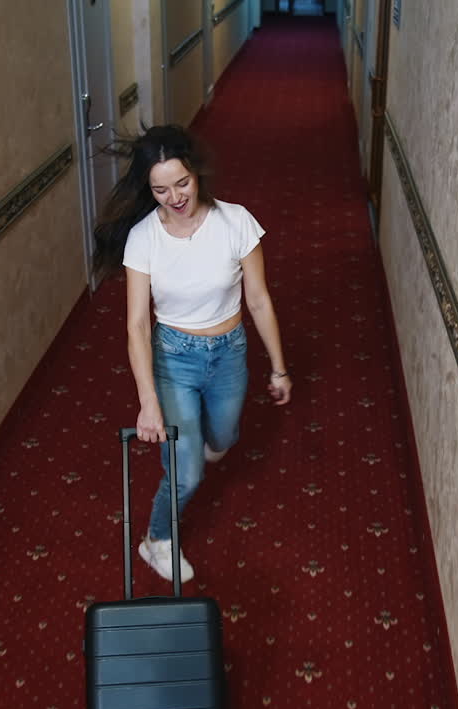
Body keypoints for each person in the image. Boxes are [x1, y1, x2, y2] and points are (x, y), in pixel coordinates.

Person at [93, 125, 293, 582]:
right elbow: (137, 325)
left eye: (181, 183)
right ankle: (157, 540)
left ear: (197, 172)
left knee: (222, 440)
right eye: (160, 189)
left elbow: (259, 300)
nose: (174, 197)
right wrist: (148, 404)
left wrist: (279, 369)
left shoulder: (236, 221)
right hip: (174, 358)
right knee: (188, 475)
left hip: (229, 352)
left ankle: (192, 446)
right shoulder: (143, 238)